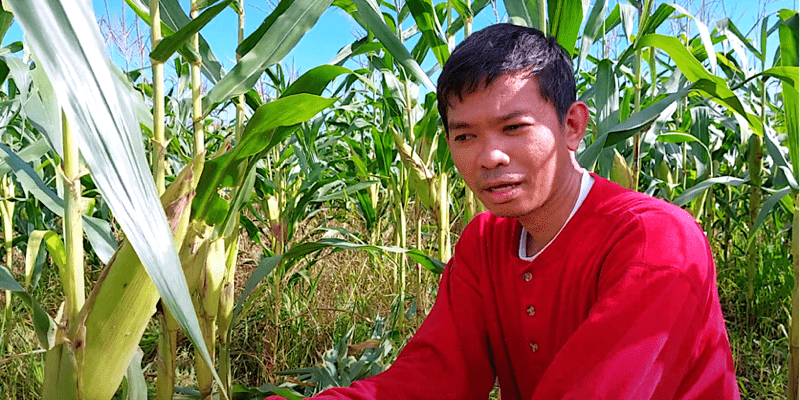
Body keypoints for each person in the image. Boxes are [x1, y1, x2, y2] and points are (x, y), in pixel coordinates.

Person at [267, 23, 739, 399]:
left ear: (572, 126)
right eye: (465, 135)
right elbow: (435, 377)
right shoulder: (485, 241)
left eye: (513, 127)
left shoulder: (654, 241)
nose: (489, 156)